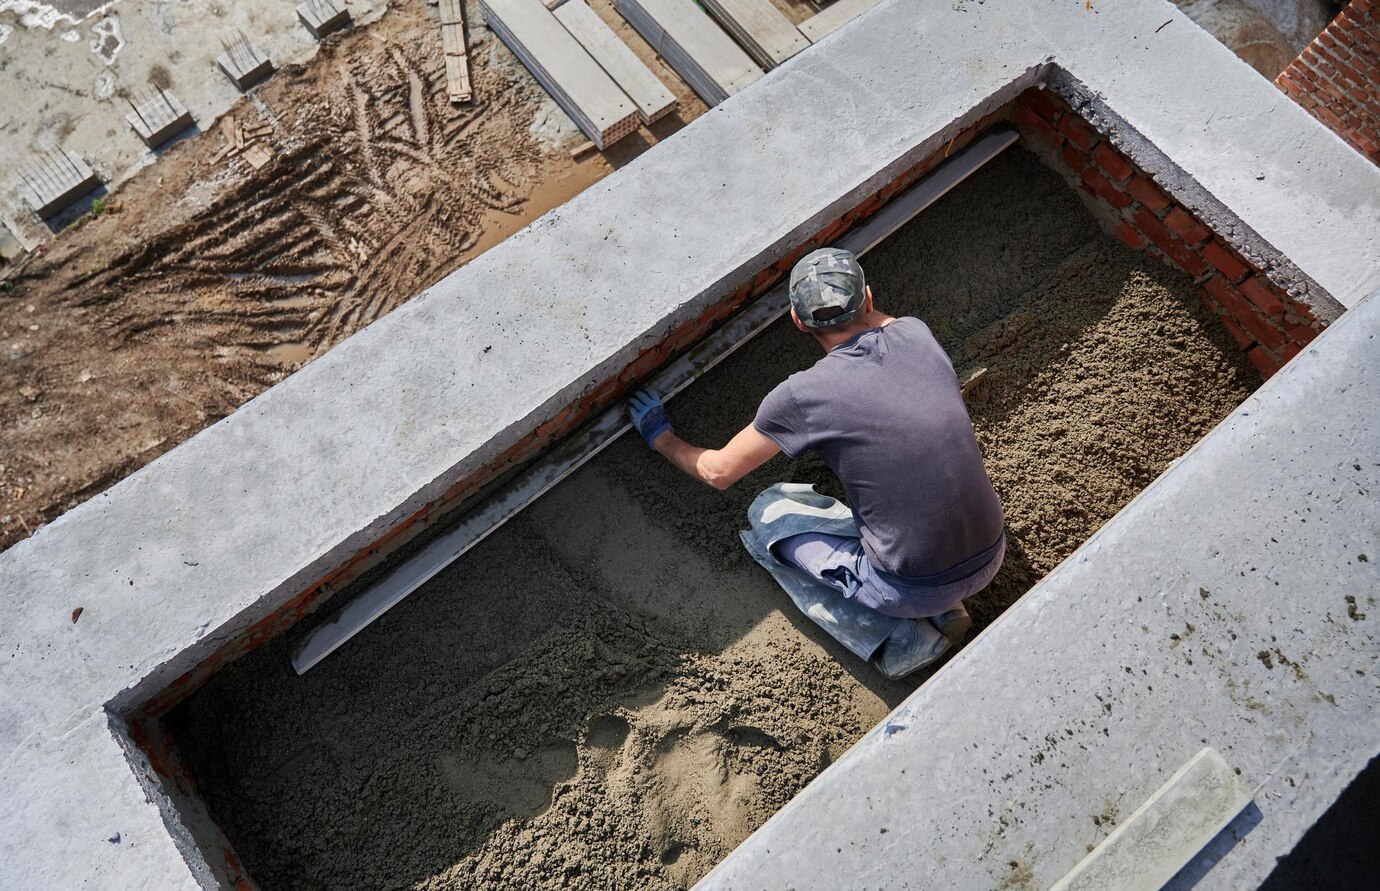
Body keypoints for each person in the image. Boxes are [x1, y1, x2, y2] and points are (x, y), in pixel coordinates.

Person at [628, 247, 1005, 679]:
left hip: (911, 587)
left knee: (768, 514)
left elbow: (718, 471)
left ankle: (901, 639)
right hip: (992, 550)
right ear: (868, 298)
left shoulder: (802, 396)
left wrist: (662, 437)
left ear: (796, 321)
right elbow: (882, 322)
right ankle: (945, 606)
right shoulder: (915, 333)